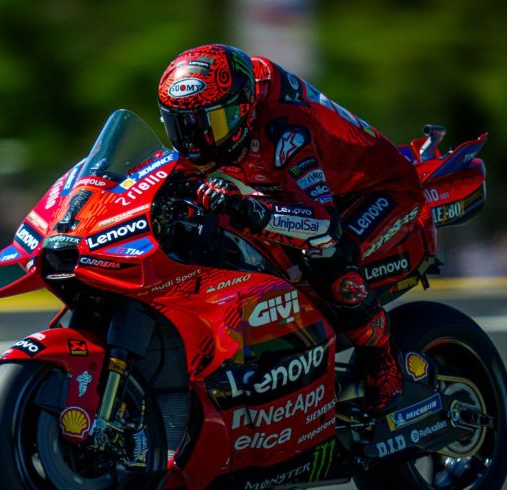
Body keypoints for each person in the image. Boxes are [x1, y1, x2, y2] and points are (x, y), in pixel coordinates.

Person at [157, 44, 427, 414]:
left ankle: (384, 366)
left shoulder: (285, 131)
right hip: (294, 192)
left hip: (379, 192)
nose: (195, 141)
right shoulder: (228, 109)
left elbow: (323, 224)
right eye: (182, 126)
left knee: (328, 256)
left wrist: (246, 207)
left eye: (209, 125)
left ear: (243, 108)